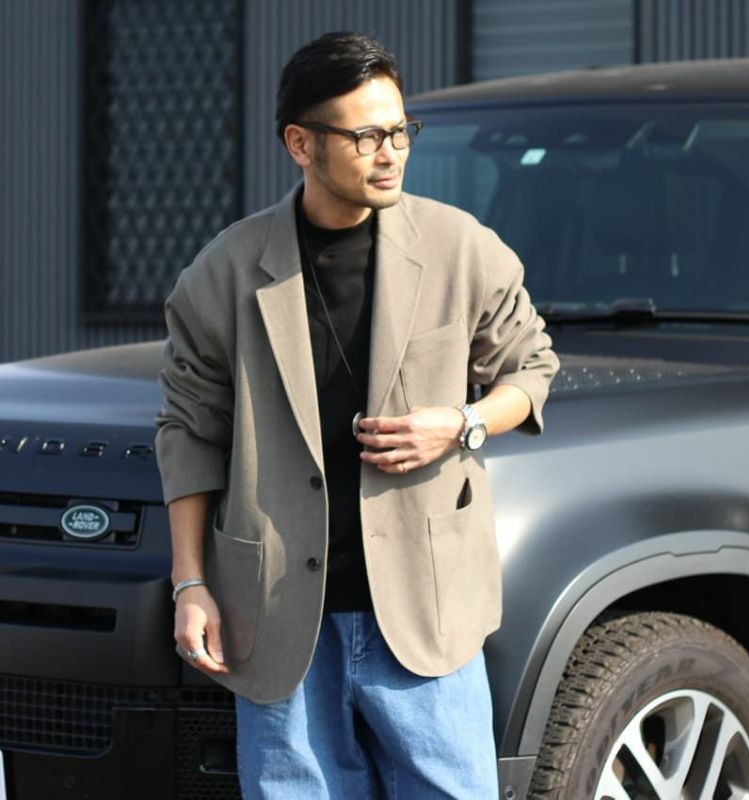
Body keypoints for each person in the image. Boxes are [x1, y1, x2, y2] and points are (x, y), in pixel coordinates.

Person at [155, 31, 559, 800]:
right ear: (300, 144)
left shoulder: (460, 249)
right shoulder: (226, 271)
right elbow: (188, 431)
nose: (391, 153)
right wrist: (190, 584)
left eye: (401, 131)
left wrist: (460, 423)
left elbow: (531, 369)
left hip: (425, 616)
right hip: (279, 621)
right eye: (366, 136)